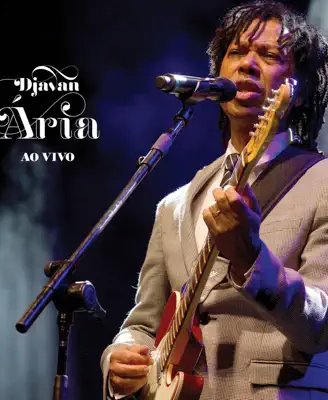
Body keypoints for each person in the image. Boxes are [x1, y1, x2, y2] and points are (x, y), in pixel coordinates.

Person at [101, 1, 328, 399]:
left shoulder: (321, 182)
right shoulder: (174, 206)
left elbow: (322, 325)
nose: (248, 64)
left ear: (299, 87)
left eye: (269, 55)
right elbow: (143, 324)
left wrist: (251, 258)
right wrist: (118, 357)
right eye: (237, 52)